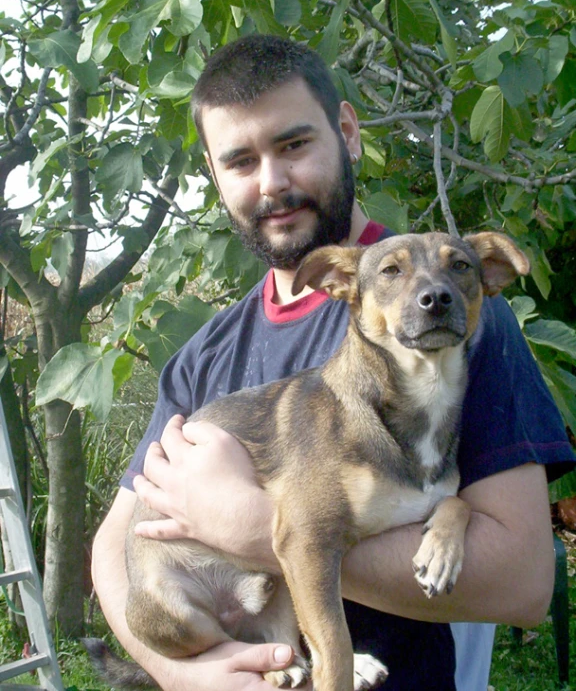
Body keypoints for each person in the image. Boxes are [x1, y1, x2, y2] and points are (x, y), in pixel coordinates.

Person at [91, 34, 576, 691]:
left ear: (347, 132)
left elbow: (522, 581)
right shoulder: (200, 359)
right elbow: (115, 544)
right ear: (215, 175)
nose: (273, 182)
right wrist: (179, 671)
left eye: (294, 145)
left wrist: (258, 529)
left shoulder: (452, 318)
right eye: (240, 161)